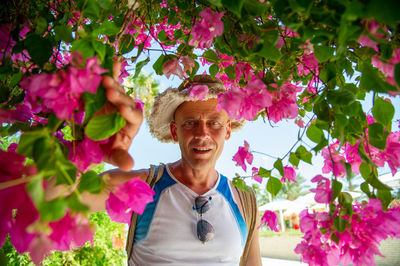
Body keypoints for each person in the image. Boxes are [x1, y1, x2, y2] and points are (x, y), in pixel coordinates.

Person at [80, 64, 262, 265]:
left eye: (214, 123)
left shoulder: (244, 200)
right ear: (175, 132)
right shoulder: (140, 186)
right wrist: (90, 147)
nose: (203, 134)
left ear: (227, 130)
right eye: (190, 123)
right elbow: (57, 199)